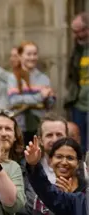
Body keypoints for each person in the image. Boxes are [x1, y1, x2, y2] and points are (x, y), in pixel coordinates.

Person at [8, 41, 55, 140]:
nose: (32, 57)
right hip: (19, 127)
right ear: (20, 56)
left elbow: (50, 105)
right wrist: (40, 96)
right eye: (28, 54)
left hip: (39, 126)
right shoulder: (13, 78)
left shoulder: (44, 79)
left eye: (35, 54)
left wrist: (50, 98)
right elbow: (14, 100)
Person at [66, 12, 89, 145]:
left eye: (78, 31)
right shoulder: (77, 49)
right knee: (79, 143)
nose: (75, 35)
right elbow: (71, 76)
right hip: (79, 104)